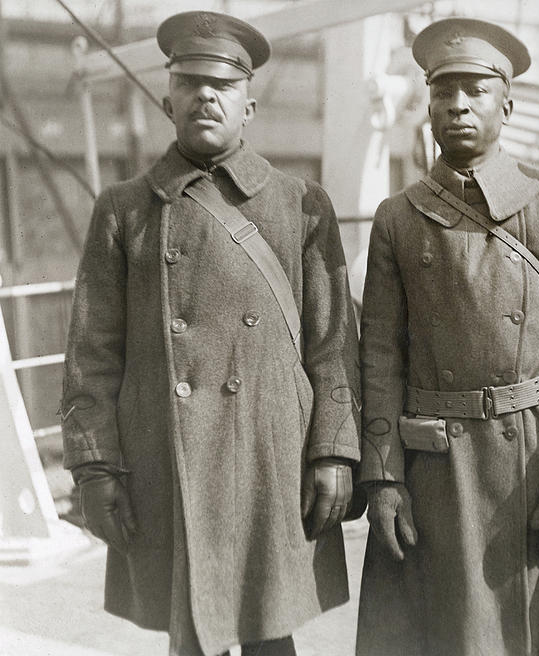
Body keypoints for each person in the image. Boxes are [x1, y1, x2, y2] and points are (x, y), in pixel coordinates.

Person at [60, 11, 360, 656]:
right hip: (165, 457)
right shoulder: (125, 209)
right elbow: (91, 355)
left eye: (221, 85)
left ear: (248, 106)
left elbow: (333, 345)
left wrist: (334, 450)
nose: (205, 95)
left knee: (269, 633)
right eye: (190, 82)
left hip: (268, 457)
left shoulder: (299, 203)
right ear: (168, 98)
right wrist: (94, 467)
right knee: (189, 634)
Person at [355, 17, 539, 656]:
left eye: (475, 90)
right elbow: (380, 357)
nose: (458, 105)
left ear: (508, 102)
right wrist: (385, 481)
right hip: (438, 474)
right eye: (444, 92)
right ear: (428, 105)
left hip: (535, 462)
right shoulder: (398, 218)